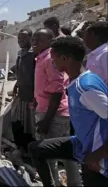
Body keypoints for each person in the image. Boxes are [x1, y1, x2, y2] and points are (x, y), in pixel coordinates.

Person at [29, 36, 108, 186]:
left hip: (97, 154)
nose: (52, 63)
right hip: (81, 144)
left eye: (54, 59)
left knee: (91, 177)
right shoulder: (77, 81)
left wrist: (98, 155)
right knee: (36, 149)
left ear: (64, 58)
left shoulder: (85, 88)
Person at [31, 28, 81, 186]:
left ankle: (69, 183)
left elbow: (58, 90)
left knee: (60, 154)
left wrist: (46, 120)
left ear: (49, 42)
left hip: (54, 114)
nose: (34, 41)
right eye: (34, 38)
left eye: (39, 39)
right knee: (55, 154)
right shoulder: (41, 58)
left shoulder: (50, 59)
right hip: (45, 110)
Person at [11, 28, 36, 153]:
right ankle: (24, 146)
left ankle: (32, 148)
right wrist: (16, 84)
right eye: (19, 38)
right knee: (20, 120)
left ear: (31, 38)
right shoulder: (21, 53)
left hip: (32, 95)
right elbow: (21, 72)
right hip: (22, 93)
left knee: (31, 123)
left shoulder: (34, 54)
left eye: (24, 37)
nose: (21, 40)